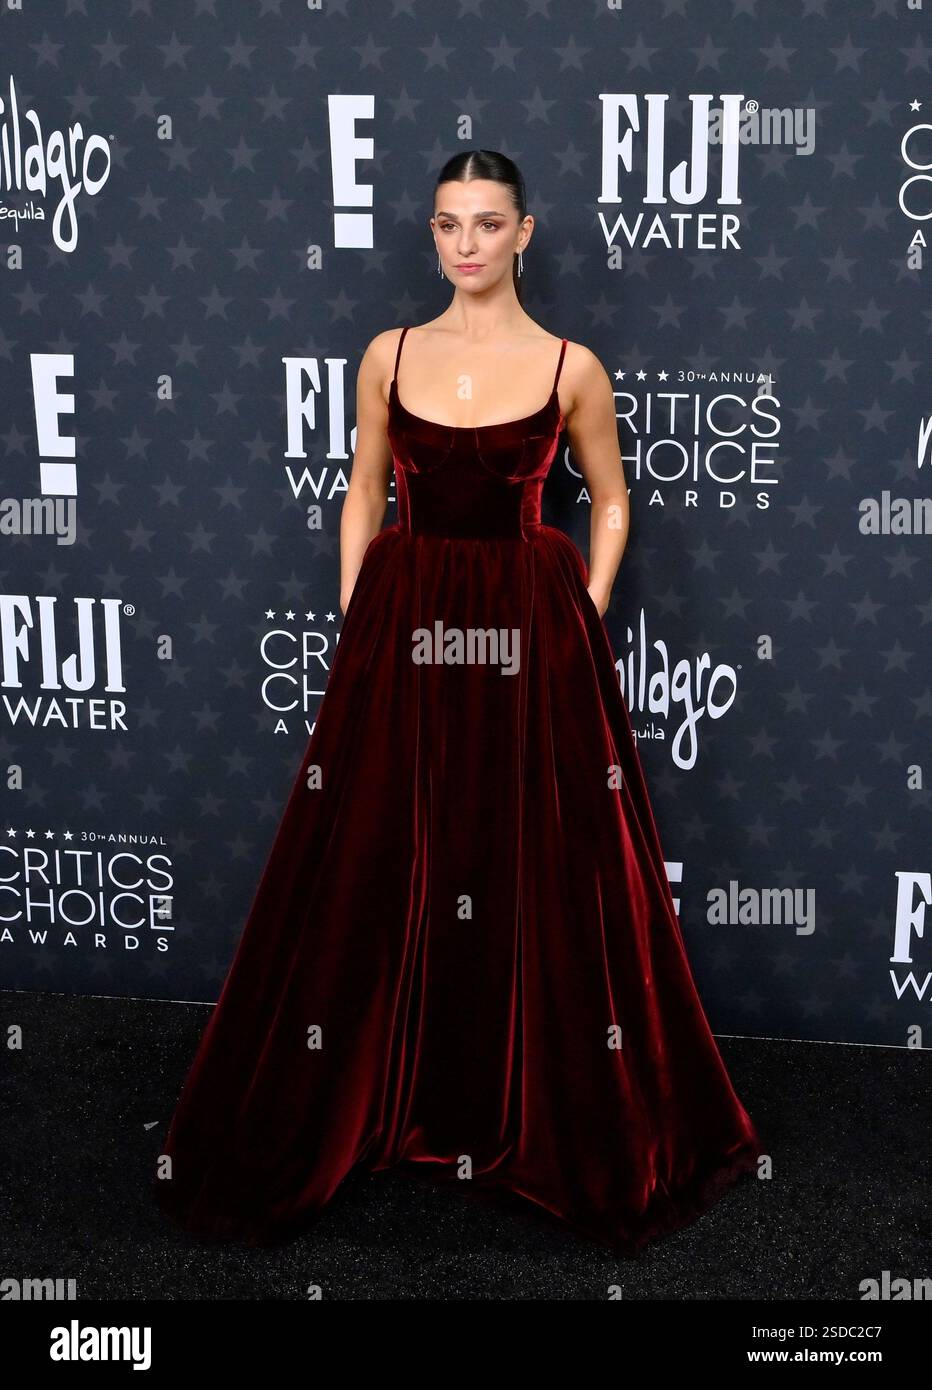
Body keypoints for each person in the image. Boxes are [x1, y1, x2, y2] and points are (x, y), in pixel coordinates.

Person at [152, 148, 763, 1254]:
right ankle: (385, 1097)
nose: (466, 242)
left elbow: (611, 502)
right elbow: (361, 490)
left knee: (531, 858)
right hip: (408, 622)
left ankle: (522, 1109)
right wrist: (360, 611)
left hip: (531, 636)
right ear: (431, 236)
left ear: (524, 233)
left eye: (487, 222)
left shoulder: (573, 365)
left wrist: (578, 605)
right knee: (385, 852)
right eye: (447, 224)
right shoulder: (385, 354)